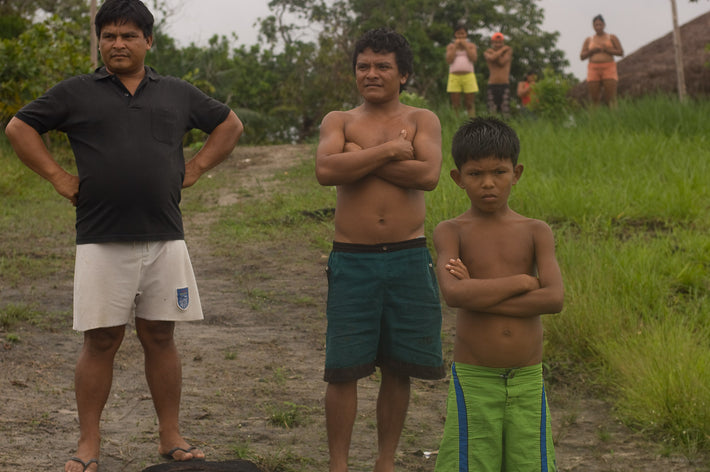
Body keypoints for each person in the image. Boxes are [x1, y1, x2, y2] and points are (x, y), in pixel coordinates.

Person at [4, 1, 243, 471]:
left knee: (160, 335)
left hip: (165, 236)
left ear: (148, 42)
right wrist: (57, 176)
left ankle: (170, 435)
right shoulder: (76, 92)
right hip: (100, 237)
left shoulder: (176, 93)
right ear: (99, 41)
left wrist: (194, 168)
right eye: (109, 35)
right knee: (101, 340)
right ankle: (88, 444)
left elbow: (229, 125)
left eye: (129, 36)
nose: (118, 44)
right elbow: (19, 127)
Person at [315, 27, 445, 472]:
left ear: (403, 74)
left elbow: (428, 175)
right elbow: (326, 170)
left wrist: (360, 157)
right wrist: (391, 150)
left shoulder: (424, 119)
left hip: (409, 257)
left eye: (382, 65)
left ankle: (385, 462)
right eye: (363, 65)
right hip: (353, 259)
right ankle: (339, 466)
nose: (371, 73)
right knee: (343, 369)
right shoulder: (339, 121)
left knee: (399, 365)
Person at [432, 117, 564, 471]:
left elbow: (553, 298)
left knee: (530, 463)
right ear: (458, 178)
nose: (488, 183)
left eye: (499, 172)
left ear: (516, 172)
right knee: (469, 462)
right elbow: (454, 295)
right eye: (475, 174)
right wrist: (521, 282)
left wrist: (477, 289)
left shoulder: (536, 231)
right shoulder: (451, 231)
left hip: (527, 378)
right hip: (475, 379)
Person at [580, 14, 624, 108]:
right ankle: (594, 121)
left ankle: (614, 119)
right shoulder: (589, 40)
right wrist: (592, 51)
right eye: (596, 25)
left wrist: (607, 50)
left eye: (600, 24)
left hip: (608, 67)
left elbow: (620, 52)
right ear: (593, 26)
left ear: (604, 25)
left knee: (611, 97)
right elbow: (582, 56)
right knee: (594, 98)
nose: (598, 27)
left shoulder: (611, 37)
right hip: (593, 68)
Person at [445, 21, 478, 116]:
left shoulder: (471, 46)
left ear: (466, 34)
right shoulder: (451, 46)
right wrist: (455, 46)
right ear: (455, 34)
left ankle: (472, 122)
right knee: (455, 104)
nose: (460, 36)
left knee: (470, 103)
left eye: (462, 33)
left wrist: (465, 46)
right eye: (458, 33)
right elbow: (449, 60)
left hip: (469, 76)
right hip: (454, 76)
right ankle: (456, 121)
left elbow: (474, 58)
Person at [484, 32, 513, 117]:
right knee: (492, 110)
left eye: (500, 42)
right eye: (496, 42)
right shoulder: (488, 52)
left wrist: (497, 53)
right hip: (492, 84)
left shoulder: (508, 52)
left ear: (503, 42)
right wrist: (502, 50)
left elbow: (502, 62)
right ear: (492, 43)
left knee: (505, 110)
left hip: (504, 84)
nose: (498, 44)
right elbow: (492, 58)